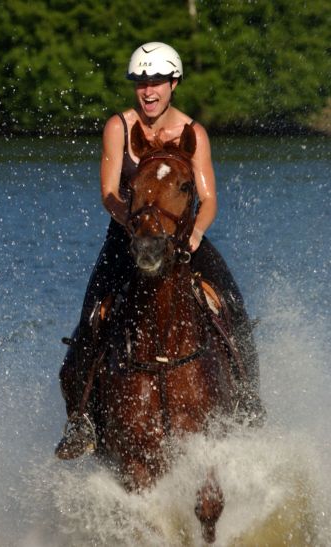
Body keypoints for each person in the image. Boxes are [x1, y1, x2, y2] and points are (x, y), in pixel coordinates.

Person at [55, 42, 265, 460]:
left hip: (184, 239)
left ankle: (248, 402)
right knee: (91, 317)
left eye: (156, 83)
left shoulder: (193, 133)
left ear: (173, 83)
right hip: (127, 238)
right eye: (140, 83)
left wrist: (197, 233)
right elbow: (109, 194)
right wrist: (134, 227)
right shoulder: (119, 127)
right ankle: (81, 420)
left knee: (232, 306)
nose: (148, 92)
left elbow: (209, 199)